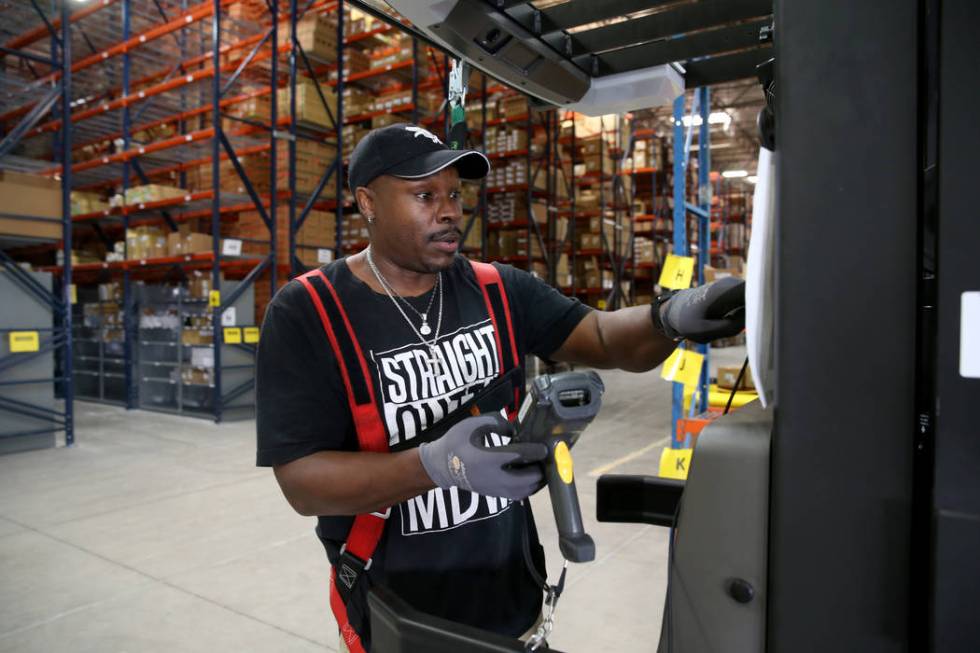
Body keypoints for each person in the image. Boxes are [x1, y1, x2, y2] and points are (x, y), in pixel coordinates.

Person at [256, 123, 745, 652]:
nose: (449, 212)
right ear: (368, 202)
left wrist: (669, 317)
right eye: (425, 195)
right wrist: (432, 464)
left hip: (515, 599)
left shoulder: (498, 289)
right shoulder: (308, 312)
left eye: (454, 195)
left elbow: (603, 337)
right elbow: (302, 483)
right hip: (400, 616)